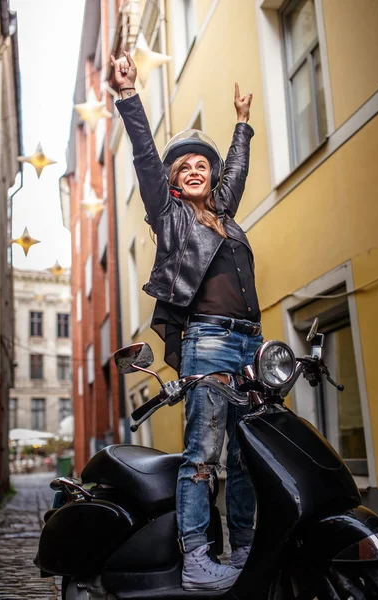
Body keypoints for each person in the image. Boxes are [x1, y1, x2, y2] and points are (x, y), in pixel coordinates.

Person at [111, 51, 263, 592]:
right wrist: (130, 97)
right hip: (208, 343)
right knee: (203, 455)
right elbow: (147, 158)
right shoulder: (170, 218)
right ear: (174, 184)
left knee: (247, 454)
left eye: (203, 164)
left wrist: (241, 124)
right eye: (185, 168)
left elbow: (237, 173)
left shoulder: (225, 220)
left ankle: (244, 548)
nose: (194, 169)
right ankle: (197, 557)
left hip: (252, 346)